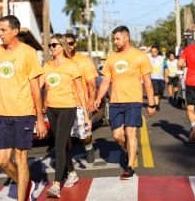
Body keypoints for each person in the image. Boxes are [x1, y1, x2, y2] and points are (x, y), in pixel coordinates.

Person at [0, 15, 47, 201]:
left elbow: (36, 88)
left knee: (20, 157)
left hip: (24, 113)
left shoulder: (28, 53)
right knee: (2, 160)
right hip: (2, 114)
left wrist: (39, 118)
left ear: (14, 31)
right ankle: (26, 184)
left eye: (3, 30)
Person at [95, 26, 156, 180]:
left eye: (117, 39)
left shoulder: (140, 56)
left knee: (131, 132)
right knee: (117, 135)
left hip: (133, 101)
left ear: (126, 38)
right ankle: (129, 150)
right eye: (113, 39)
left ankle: (130, 166)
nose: (115, 42)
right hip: (115, 102)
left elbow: (147, 82)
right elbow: (105, 81)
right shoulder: (111, 57)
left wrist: (151, 103)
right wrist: (98, 97)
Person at [39, 33, 91, 198]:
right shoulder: (46, 66)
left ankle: (56, 185)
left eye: (54, 45)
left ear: (62, 46)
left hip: (68, 107)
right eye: (50, 46)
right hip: (51, 109)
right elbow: (38, 86)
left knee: (59, 144)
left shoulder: (72, 65)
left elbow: (80, 91)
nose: (51, 48)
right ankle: (72, 172)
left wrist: (87, 116)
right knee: (62, 143)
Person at [65, 33, 98, 163]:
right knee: (64, 135)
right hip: (63, 104)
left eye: (71, 43)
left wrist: (91, 101)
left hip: (80, 103)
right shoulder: (57, 61)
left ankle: (89, 146)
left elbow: (92, 84)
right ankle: (67, 159)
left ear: (75, 44)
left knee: (83, 135)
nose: (68, 46)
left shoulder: (84, 61)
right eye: (65, 44)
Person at [149, 46, 168, 110]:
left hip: (161, 78)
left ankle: (158, 101)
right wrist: (147, 49)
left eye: (155, 51)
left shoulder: (162, 58)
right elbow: (141, 54)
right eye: (152, 52)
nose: (153, 53)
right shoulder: (149, 57)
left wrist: (166, 76)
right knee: (156, 92)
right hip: (153, 78)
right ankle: (156, 105)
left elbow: (165, 67)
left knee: (161, 93)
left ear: (157, 51)